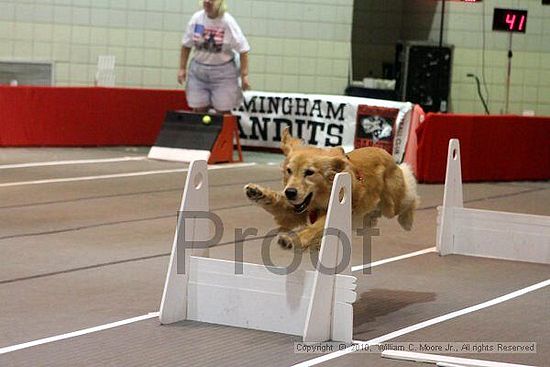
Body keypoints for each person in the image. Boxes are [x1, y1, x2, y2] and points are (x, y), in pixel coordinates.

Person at [178, 0, 250, 114]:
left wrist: (244, 75)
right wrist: (182, 68)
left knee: (223, 111)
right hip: (198, 71)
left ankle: (224, 131)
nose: (207, 1)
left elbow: (243, 49)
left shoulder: (227, 22)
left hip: (223, 73)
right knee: (199, 109)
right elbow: (186, 45)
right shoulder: (197, 19)